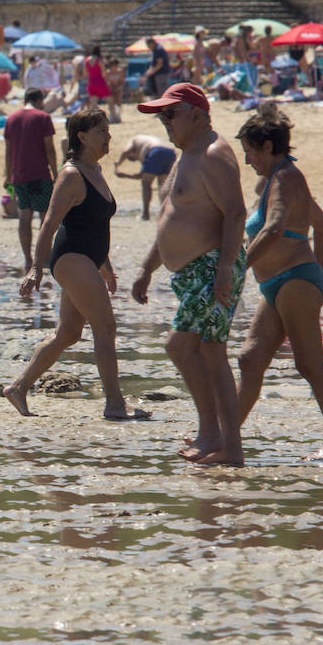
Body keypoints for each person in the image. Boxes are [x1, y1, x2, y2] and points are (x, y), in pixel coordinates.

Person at [4, 107, 148, 421]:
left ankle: (18, 387)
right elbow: (49, 225)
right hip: (71, 259)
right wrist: (35, 269)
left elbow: (95, 225)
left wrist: (105, 266)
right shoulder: (71, 174)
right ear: (82, 136)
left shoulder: (95, 170)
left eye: (108, 131)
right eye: (102, 132)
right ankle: (114, 403)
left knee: (68, 334)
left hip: (88, 260)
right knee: (105, 327)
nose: (109, 137)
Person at [130, 83, 247, 466]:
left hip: (212, 266)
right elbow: (170, 219)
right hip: (190, 273)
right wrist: (147, 269)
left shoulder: (213, 152)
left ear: (198, 113)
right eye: (160, 116)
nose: (164, 122)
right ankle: (219, 439)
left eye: (170, 114)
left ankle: (220, 439)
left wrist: (226, 269)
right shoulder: (184, 156)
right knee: (209, 352)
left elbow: (235, 213)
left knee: (181, 346)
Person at [232, 104, 323, 461]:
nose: (248, 160)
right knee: (250, 359)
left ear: (267, 147)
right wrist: (322, 276)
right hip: (279, 284)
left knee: (310, 366)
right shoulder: (275, 179)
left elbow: (275, 228)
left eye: (250, 152)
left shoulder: (286, 178)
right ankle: (225, 438)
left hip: (295, 282)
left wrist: (235, 271)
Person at [4, 88, 59, 271]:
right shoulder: (43, 117)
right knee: (45, 219)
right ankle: (43, 259)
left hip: (19, 176)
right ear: (38, 100)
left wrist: (8, 176)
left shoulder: (11, 119)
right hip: (40, 176)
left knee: (24, 216)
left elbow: (8, 150)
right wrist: (56, 174)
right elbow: (49, 148)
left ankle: (28, 259)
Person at [114, 134, 176, 220]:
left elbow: (126, 151)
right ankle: (165, 214)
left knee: (146, 184)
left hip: (156, 151)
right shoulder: (145, 143)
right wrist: (125, 175)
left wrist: (118, 163)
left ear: (133, 153)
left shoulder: (134, 140)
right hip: (170, 152)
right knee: (162, 185)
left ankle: (145, 214)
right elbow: (142, 176)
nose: (136, 159)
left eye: (133, 158)